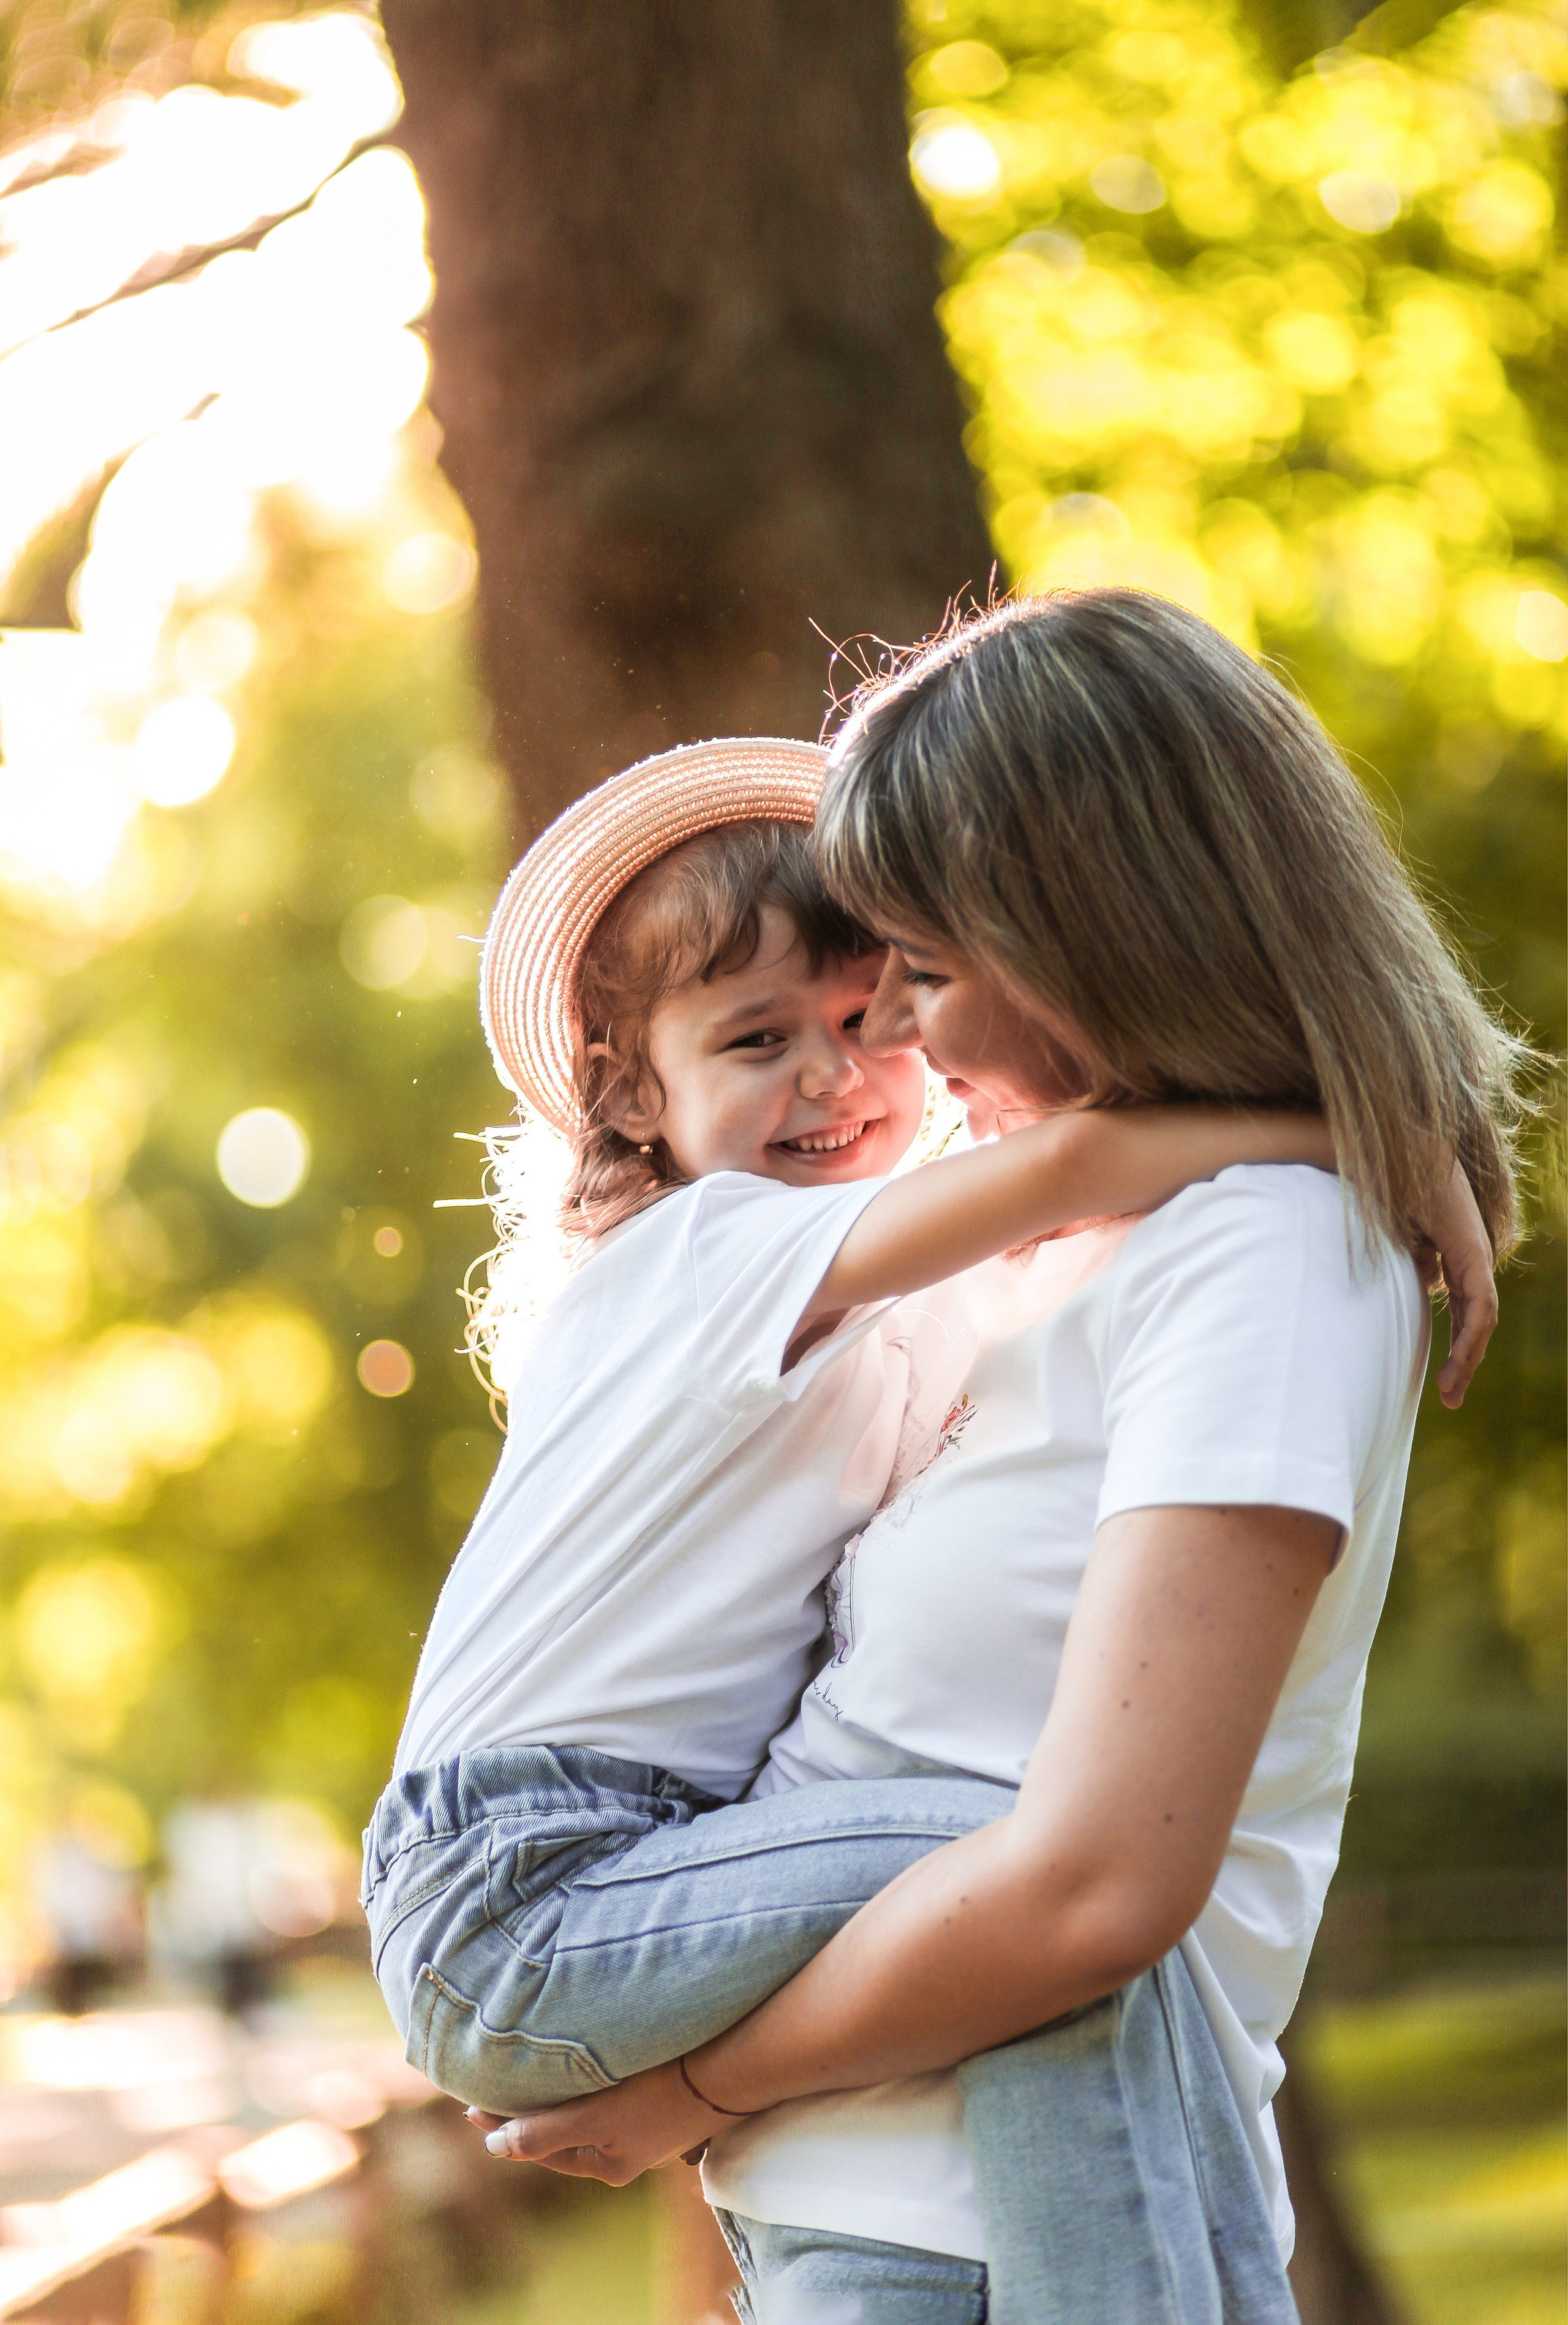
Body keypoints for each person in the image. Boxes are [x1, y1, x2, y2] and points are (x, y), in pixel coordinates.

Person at [469, 594, 1520, 2325]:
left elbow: (1102, 1877)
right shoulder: (1045, 1258)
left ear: (1102, 929)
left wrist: (694, 2088)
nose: (920, 1053)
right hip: (872, 2222)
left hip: (977, 2236)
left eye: (923, 982)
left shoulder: (1256, 1252)